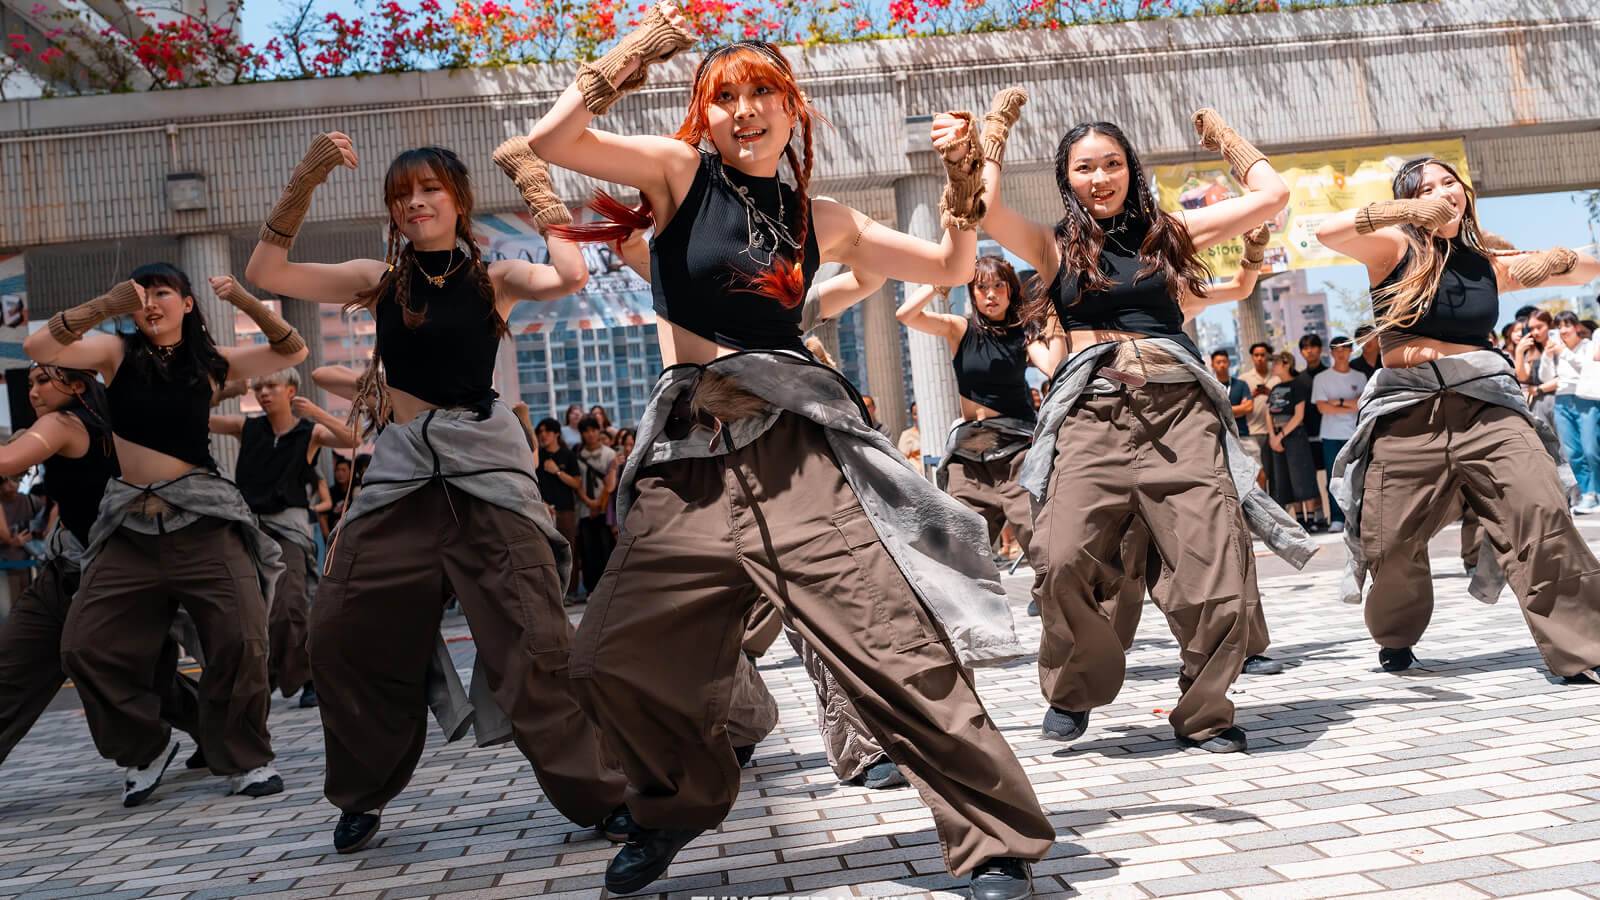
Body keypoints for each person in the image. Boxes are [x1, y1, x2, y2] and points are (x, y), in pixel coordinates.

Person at [525, 17, 1051, 896]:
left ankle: (994, 840)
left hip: (797, 455)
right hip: (689, 465)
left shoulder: (822, 217)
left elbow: (950, 264)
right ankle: (677, 803)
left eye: (761, 92)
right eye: (724, 96)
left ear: (791, 107)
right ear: (703, 115)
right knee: (608, 658)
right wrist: (635, 53)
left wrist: (966, 176)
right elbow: (554, 141)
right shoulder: (679, 174)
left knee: (892, 647)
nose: (744, 110)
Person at [244, 133, 633, 854]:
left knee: (535, 642)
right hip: (400, 478)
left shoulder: (496, 278)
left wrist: (535, 183)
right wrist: (306, 179)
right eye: (401, 195)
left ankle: (603, 794)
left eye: (429, 189)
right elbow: (267, 270)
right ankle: (362, 791)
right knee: (340, 631)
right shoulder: (379, 280)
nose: (415, 203)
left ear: (458, 199)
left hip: (486, 476)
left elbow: (571, 274)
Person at [980, 89, 1312, 756]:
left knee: (1215, 574)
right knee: (1061, 559)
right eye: (1083, 167)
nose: (1099, 178)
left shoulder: (1171, 235)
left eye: (1112, 164)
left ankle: (1205, 712)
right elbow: (983, 209)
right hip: (1090, 417)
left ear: (1131, 169)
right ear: (1066, 178)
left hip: (1179, 415)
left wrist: (1226, 139)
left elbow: (1272, 195)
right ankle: (1074, 686)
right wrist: (994, 134)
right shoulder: (1052, 246)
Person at [24, 265, 303, 806]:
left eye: (162, 293)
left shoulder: (211, 364)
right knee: (83, 646)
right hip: (129, 527)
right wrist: (104, 305)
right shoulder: (116, 354)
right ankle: (146, 747)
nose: (150, 303)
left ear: (187, 304)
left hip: (203, 521)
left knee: (242, 640)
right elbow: (40, 345)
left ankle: (245, 759)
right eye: (141, 296)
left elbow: (293, 350)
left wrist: (245, 299)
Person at [1318, 155, 1600, 682]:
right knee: (1390, 543)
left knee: (1542, 509)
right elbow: (1328, 231)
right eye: (1425, 188)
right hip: (1409, 411)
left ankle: (1584, 648)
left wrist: (1554, 258)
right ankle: (1396, 635)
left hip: (1486, 404)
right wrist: (1409, 213)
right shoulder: (1394, 247)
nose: (1442, 191)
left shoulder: (1484, 263)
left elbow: (1589, 268)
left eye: (1449, 182)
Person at [0, 365, 203, 768]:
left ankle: (164, 745)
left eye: (44, 381)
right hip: (63, 573)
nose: (33, 392)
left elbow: (8, 461)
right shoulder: (63, 429)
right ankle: (211, 733)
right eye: (30, 383)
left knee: (131, 675)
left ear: (77, 386)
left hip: (113, 579)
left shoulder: (63, 424)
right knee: (12, 670)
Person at [896, 257, 1055, 589]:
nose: (991, 294)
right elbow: (906, 315)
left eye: (998, 286)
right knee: (960, 547)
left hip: (1015, 449)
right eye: (982, 287)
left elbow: (1051, 366)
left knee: (1040, 534)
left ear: (1011, 291)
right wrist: (940, 282)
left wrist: (1050, 324)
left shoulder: (1023, 333)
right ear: (972, 292)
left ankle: (1057, 598)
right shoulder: (961, 329)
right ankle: (972, 610)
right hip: (970, 452)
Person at [209, 367, 358, 709]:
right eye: (259, 387)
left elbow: (353, 439)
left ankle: (307, 677)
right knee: (246, 609)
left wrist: (317, 412)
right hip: (247, 528)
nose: (263, 393)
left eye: (271, 386)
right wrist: (227, 391)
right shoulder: (247, 427)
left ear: (291, 391)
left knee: (290, 603)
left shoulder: (310, 432)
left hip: (289, 529)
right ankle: (268, 675)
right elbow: (195, 418)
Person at [1311, 335, 1367, 532]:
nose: (1341, 353)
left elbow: (1361, 405)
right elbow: (1322, 408)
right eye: (1337, 349)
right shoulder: (1321, 378)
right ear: (1331, 352)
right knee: (1334, 477)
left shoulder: (1360, 377)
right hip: (1331, 435)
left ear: (1351, 351)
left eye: (1345, 348)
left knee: (1357, 476)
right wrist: (1348, 404)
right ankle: (1337, 518)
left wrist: (1337, 402)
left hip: (1354, 433)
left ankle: (1359, 516)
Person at [1545, 311, 1599, 513]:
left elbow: (1588, 368)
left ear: (1577, 327)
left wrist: (1564, 353)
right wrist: (1547, 357)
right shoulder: (1556, 348)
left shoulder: (1588, 345)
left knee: (1591, 449)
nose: (1563, 330)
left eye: (1567, 325)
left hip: (1586, 398)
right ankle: (1588, 494)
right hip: (1562, 400)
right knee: (1573, 452)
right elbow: (1546, 376)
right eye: (1559, 327)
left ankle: (1597, 491)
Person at [1264, 351, 1321, 526]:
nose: (1273, 366)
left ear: (1287, 364)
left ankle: (1310, 518)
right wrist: (1273, 436)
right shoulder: (1275, 388)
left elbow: (1299, 415)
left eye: (1276, 363)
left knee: (1302, 476)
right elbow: (1268, 412)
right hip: (1277, 436)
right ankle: (1300, 519)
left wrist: (1281, 435)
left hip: (1295, 435)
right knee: (1287, 478)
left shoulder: (1298, 385)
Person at [532, 417, 586, 602]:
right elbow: (532, 484)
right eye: (540, 432)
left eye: (547, 431)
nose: (543, 435)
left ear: (556, 434)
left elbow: (577, 483)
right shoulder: (537, 457)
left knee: (568, 550)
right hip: (543, 511)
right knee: (546, 553)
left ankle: (571, 591)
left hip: (565, 510)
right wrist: (542, 503)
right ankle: (552, 594)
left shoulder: (567, 455)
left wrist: (557, 471)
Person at [573, 415, 617, 595]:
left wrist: (599, 505)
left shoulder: (609, 454)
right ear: (581, 434)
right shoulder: (577, 456)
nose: (590, 434)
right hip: (585, 510)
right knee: (588, 551)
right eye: (586, 431)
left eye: (593, 430)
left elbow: (611, 483)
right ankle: (592, 589)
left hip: (605, 510)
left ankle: (609, 589)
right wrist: (589, 503)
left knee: (607, 549)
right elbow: (577, 484)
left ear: (599, 431)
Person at [1240, 341, 1279, 463]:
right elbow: (1241, 406)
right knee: (1257, 470)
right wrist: (1252, 396)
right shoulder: (1244, 379)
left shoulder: (1277, 377)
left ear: (1268, 356)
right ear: (1252, 357)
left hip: (1276, 431)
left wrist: (1269, 393)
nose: (1260, 358)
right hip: (1253, 431)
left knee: (1276, 471)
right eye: (1256, 355)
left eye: (1263, 355)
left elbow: (1286, 403)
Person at [1212, 349, 1254, 443]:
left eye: (1224, 361)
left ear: (1229, 363)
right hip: (1219, 436)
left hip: (1241, 434)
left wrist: (1221, 410)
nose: (1222, 365)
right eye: (1218, 362)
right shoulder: (1210, 387)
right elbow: (1210, 411)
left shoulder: (1241, 384)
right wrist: (1240, 409)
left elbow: (1249, 407)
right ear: (1212, 365)